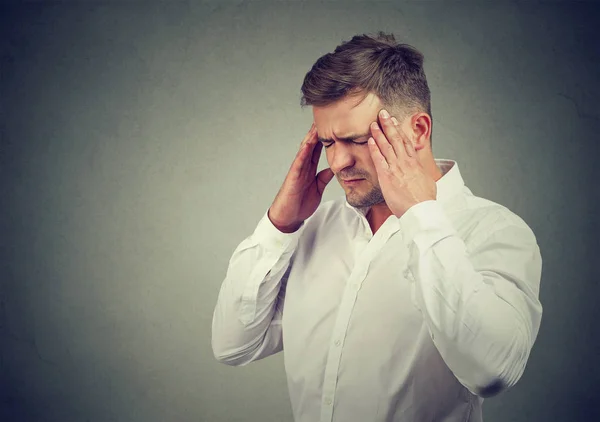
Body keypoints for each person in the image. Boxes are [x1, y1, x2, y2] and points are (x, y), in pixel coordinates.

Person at [211, 31, 543, 422]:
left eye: (357, 139)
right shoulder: (316, 227)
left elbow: (492, 371)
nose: (338, 163)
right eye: (328, 143)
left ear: (418, 131)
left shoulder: (495, 231)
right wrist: (279, 226)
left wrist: (421, 216)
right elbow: (233, 346)